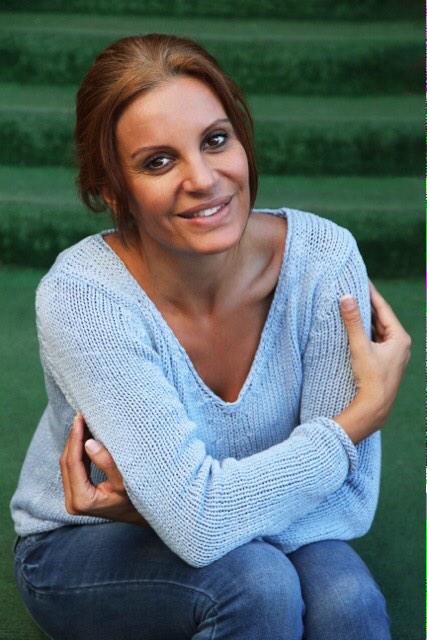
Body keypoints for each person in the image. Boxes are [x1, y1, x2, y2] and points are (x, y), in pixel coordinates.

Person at [10, 34, 411, 640]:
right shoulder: (83, 297)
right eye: (158, 162)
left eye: (216, 140)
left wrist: (188, 510)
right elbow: (205, 523)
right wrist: (359, 419)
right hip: (86, 541)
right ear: (113, 190)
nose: (203, 178)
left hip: (169, 516)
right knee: (260, 586)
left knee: (348, 604)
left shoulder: (324, 261)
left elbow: (347, 499)